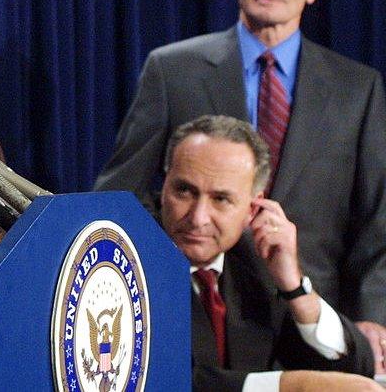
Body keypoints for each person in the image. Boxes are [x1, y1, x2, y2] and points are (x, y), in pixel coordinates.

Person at [93, 0, 386, 368]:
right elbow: (117, 193)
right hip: (196, 318)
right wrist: (179, 250)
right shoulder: (173, 70)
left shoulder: (358, 88)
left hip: (311, 317)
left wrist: (373, 317)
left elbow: (377, 218)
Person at [159, 115, 377, 391]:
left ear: (252, 208)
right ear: (165, 186)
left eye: (221, 199)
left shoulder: (256, 259)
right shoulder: (128, 257)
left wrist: (295, 289)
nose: (198, 217)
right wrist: (287, 386)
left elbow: (356, 366)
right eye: (184, 191)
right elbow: (157, 380)